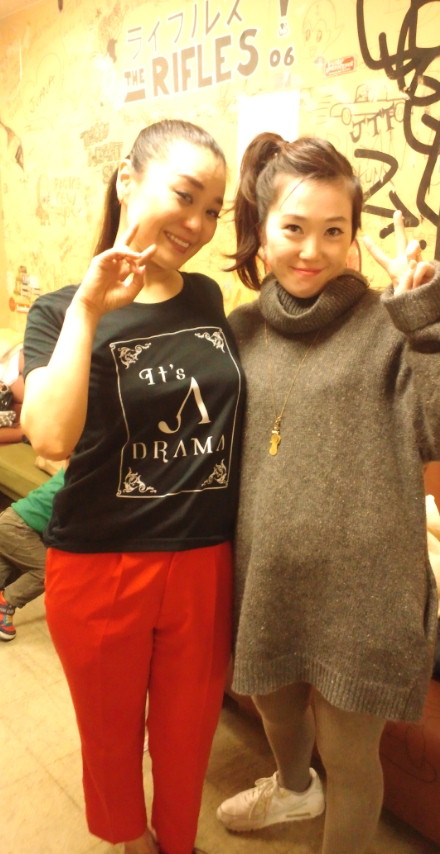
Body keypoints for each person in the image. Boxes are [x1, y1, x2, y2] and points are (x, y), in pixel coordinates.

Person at [215, 132, 440, 854]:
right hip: (267, 578)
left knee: (350, 753)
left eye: (335, 231)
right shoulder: (239, 331)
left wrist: (426, 306)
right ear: (262, 230)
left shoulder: (390, 326)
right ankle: (292, 789)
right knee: (273, 707)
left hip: (364, 593)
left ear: (355, 235)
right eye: (294, 228)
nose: (313, 250)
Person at [20, 120, 244, 854]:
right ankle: (128, 839)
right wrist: (90, 309)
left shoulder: (207, 297)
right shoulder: (60, 310)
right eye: (185, 195)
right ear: (127, 180)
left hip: (203, 558)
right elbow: (50, 438)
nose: (198, 224)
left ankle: (177, 841)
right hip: (101, 563)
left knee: (188, 734)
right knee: (111, 739)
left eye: (212, 209)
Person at [0, 467, 65, 640]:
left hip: (10, 520)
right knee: (47, 571)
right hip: (18, 528)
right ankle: (5, 604)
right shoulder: (83, 488)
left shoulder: (71, 469)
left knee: (10, 565)